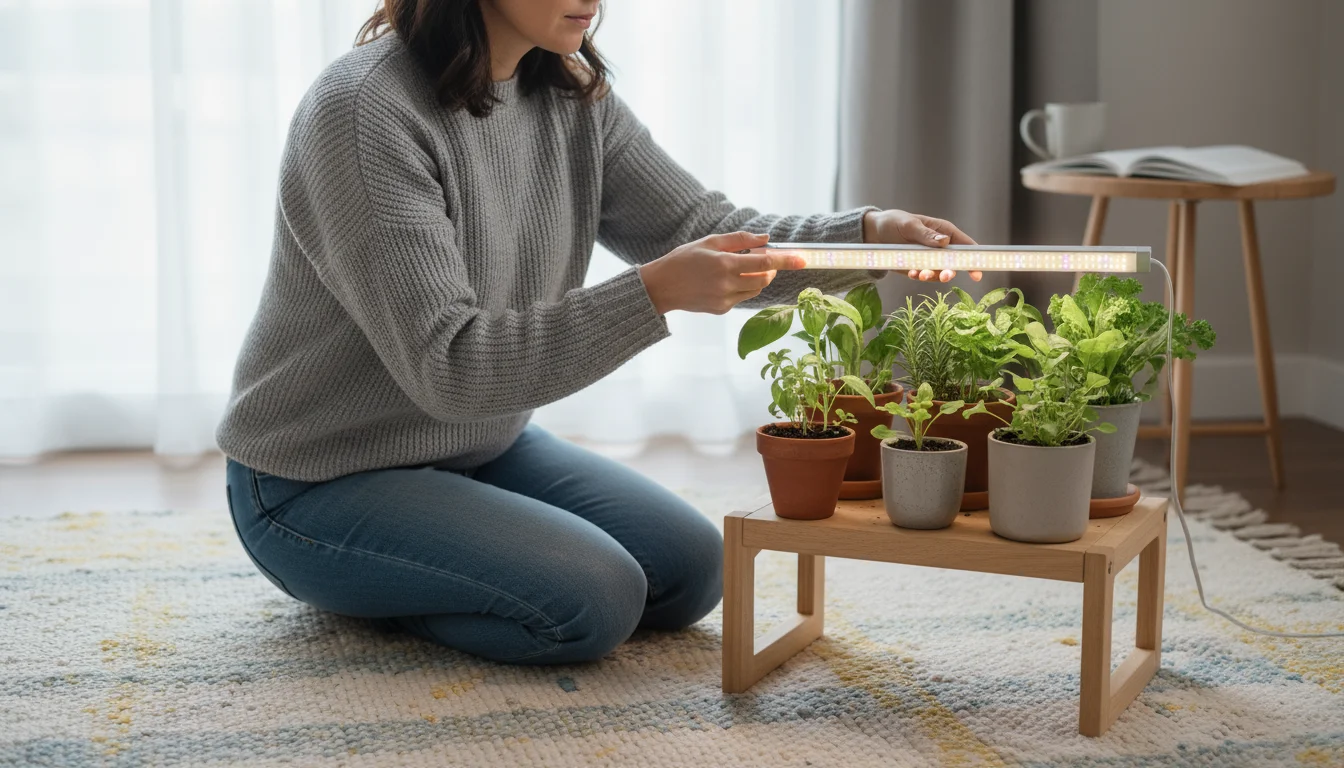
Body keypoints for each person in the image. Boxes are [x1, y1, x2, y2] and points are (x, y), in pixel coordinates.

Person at [218, 0, 979, 665]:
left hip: (478, 447)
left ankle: (450, 560)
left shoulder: (569, 89)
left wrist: (872, 236)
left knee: (689, 571)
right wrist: (652, 294)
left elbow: (705, 230)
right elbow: (451, 367)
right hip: (316, 480)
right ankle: (374, 591)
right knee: (593, 599)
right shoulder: (362, 112)